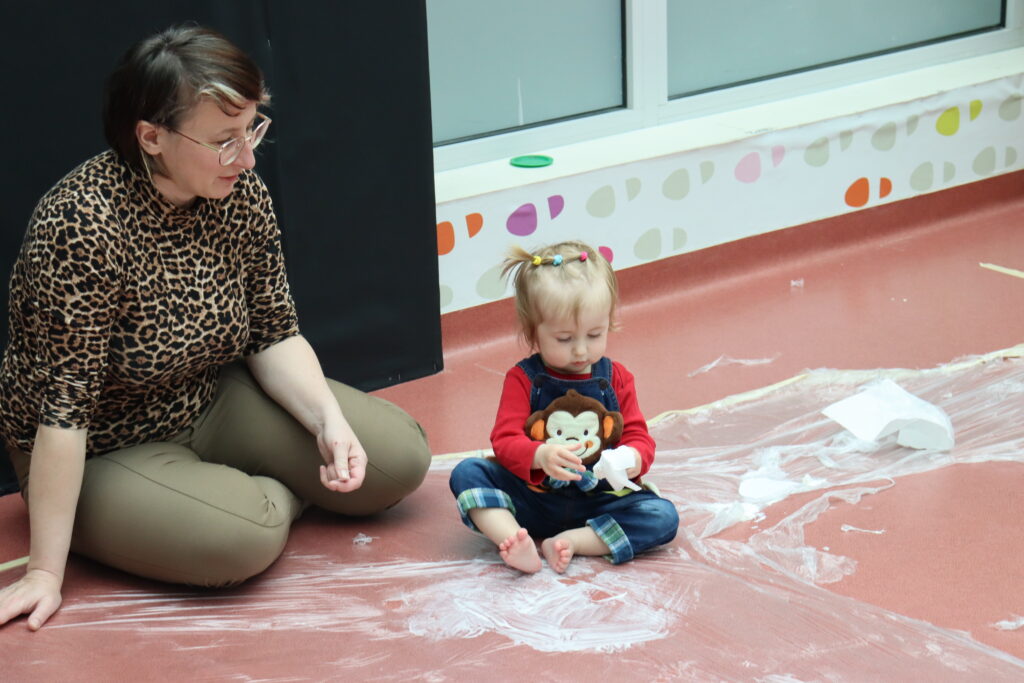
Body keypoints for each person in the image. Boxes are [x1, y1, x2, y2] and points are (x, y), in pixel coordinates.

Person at [0, 24, 431, 631]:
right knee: (241, 539)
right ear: (151, 136)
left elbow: (275, 332)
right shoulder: (81, 226)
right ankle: (239, 500)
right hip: (99, 443)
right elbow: (64, 415)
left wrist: (328, 424)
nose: (248, 157)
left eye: (253, 129)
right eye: (225, 140)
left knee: (397, 460)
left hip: (205, 397)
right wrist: (45, 572)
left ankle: (234, 492)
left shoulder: (239, 190)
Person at [448, 240, 678, 573]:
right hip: (534, 498)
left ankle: (576, 540)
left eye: (595, 334)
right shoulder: (524, 379)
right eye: (565, 339)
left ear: (609, 322)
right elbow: (505, 439)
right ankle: (515, 540)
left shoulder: (617, 378)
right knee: (468, 473)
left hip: (597, 502)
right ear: (534, 332)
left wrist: (627, 459)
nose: (581, 351)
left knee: (663, 517)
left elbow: (640, 440)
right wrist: (539, 455)